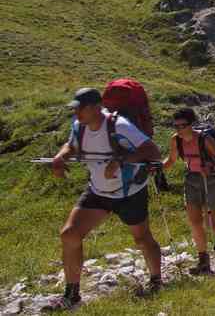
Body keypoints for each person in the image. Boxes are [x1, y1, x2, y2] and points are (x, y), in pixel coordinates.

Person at [46, 88, 163, 311]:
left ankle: (156, 280)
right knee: (69, 234)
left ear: (94, 107)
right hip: (98, 191)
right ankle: (72, 294)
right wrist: (61, 156)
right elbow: (72, 145)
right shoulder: (79, 126)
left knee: (142, 239)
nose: (76, 112)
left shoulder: (119, 126)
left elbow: (152, 151)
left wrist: (121, 160)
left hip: (129, 192)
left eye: (79, 108)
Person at [162, 108, 215, 274]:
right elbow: (171, 160)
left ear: (191, 124)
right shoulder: (176, 140)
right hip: (192, 180)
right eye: (176, 126)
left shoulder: (205, 139)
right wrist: (156, 169)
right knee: (195, 222)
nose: (179, 129)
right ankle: (203, 262)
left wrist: (211, 166)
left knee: (210, 223)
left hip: (212, 180)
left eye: (183, 125)